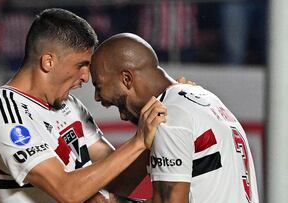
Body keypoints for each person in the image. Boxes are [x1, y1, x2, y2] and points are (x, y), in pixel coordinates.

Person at [0, 9, 167, 203]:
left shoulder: (70, 106)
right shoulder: (4, 113)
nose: (86, 76)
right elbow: (68, 191)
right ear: (48, 61)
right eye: (81, 65)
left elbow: (116, 180)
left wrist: (162, 123)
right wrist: (140, 141)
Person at [90, 33, 259, 203]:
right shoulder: (204, 98)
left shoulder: (167, 116)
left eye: (98, 85)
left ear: (126, 79)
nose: (97, 97)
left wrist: (113, 201)